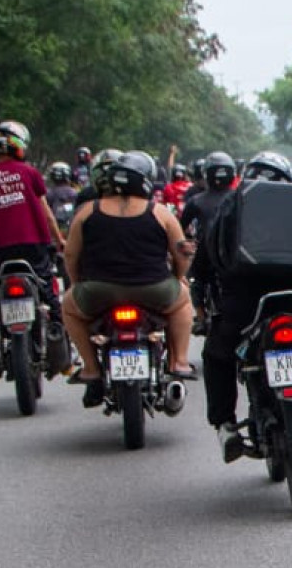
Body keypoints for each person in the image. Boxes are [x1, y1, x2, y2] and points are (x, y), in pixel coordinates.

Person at [197, 151, 292, 461]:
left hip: (245, 303)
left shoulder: (229, 205)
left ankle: (225, 424)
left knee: (217, 355)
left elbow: (208, 255)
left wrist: (205, 284)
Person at [61, 149, 196, 406]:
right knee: (183, 301)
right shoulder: (161, 213)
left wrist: (78, 284)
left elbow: (70, 255)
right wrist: (178, 278)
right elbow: (182, 254)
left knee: (68, 307)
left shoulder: (88, 211)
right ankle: (178, 361)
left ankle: (91, 369)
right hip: (154, 289)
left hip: (98, 292)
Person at [0, 121, 67, 369]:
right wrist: (60, 240)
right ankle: (60, 340)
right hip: (34, 246)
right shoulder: (30, 173)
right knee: (48, 291)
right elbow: (46, 212)